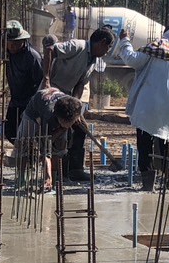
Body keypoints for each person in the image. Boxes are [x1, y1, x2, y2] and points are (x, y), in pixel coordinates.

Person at [115, 22, 169, 191]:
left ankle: (148, 184)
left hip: (147, 106)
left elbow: (131, 59)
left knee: (145, 144)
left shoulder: (156, 48)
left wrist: (124, 40)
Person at [41, 25, 116, 183]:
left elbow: (80, 84)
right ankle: (55, 171)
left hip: (66, 97)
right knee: (57, 129)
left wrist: (76, 106)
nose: (107, 51)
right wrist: (46, 79)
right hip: (51, 93)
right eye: (108, 47)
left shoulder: (93, 61)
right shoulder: (77, 46)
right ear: (102, 42)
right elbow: (50, 50)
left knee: (80, 127)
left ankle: (75, 169)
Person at [0, 20, 44, 143]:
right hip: (15, 99)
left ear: (22, 41)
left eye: (16, 42)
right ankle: (23, 150)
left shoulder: (32, 57)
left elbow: (41, 82)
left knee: (26, 132)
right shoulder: (6, 47)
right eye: (9, 42)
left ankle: (27, 151)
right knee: (10, 131)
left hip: (29, 101)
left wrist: (36, 106)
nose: (12, 45)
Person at [14, 86, 84, 191]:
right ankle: (21, 179)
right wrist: (47, 175)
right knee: (23, 143)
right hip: (34, 112)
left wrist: (75, 120)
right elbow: (44, 147)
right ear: (58, 117)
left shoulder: (75, 106)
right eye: (65, 123)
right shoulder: (48, 114)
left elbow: (81, 127)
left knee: (60, 147)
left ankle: (53, 181)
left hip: (58, 109)